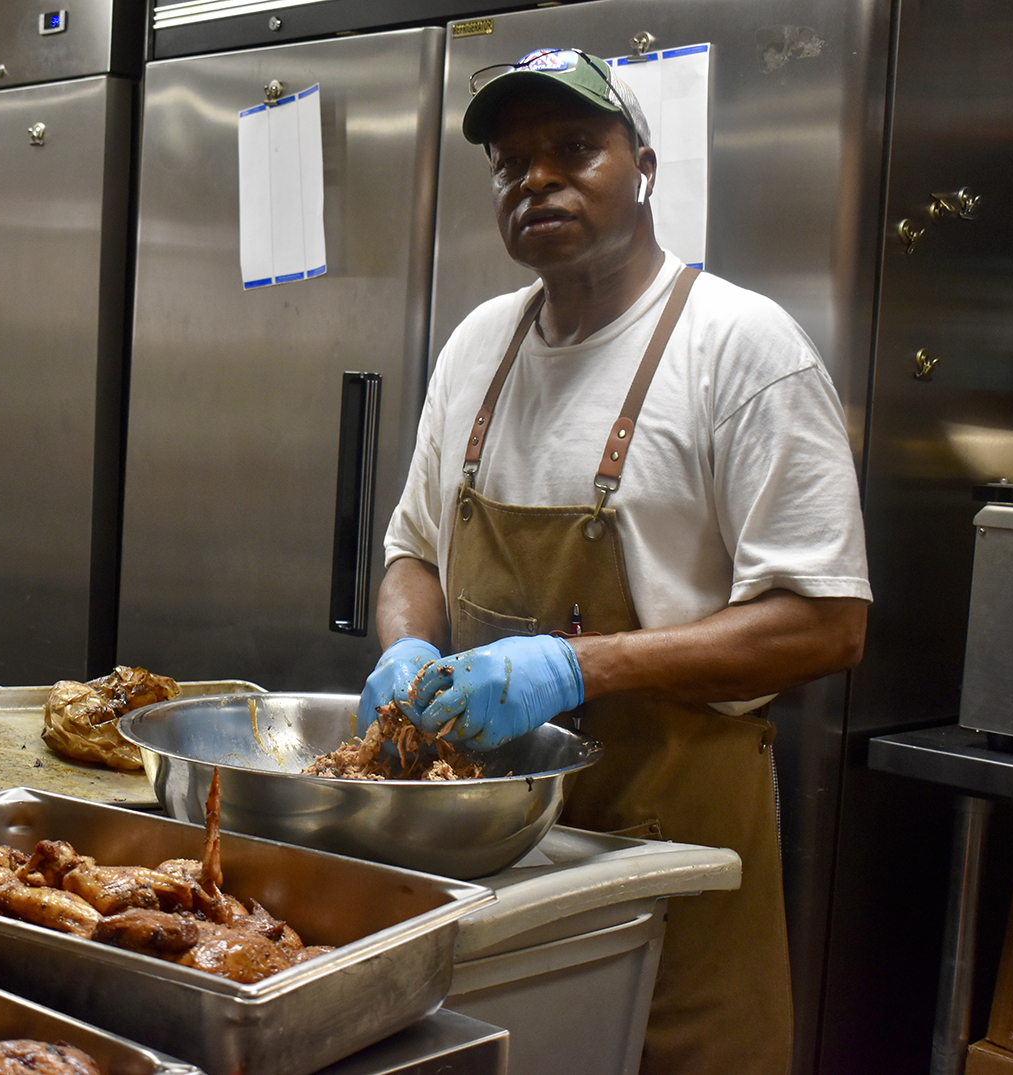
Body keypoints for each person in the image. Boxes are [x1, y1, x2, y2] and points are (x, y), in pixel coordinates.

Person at [361, 48, 871, 1075]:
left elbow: (826, 621)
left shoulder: (739, 348)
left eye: (571, 149)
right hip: (494, 851)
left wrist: (573, 667)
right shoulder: (477, 347)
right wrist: (406, 652)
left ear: (642, 165)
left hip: (668, 851)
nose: (535, 179)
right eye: (510, 163)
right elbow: (410, 550)